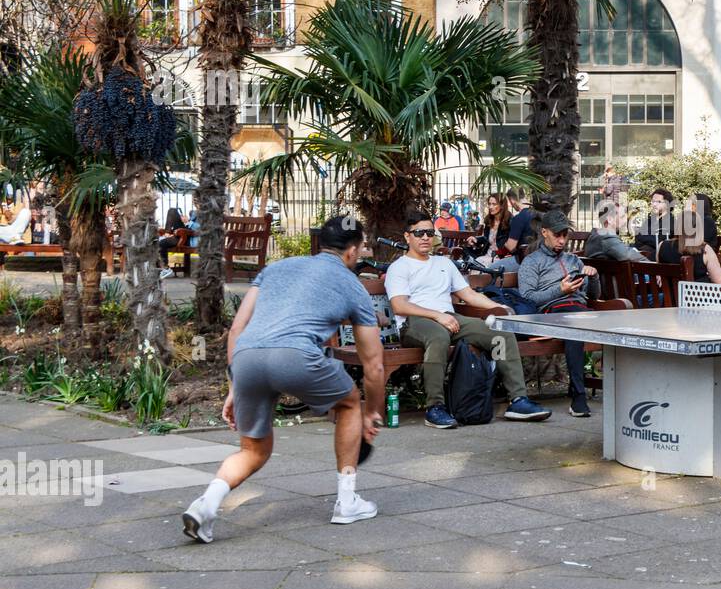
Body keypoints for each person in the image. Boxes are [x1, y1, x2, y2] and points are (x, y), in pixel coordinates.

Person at [182, 215, 388, 543]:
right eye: (361, 249)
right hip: (295, 355)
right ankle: (346, 502)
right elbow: (373, 366)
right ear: (351, 252)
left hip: (248, 357)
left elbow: (237, 328)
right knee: (350, 404)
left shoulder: (276, 268)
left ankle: (205, 504)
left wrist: (235, 384)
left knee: (254, 450)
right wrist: (373, 411)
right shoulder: (352, 284)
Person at [385, 210, 551, 428]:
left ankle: (518, 400)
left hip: (450, 319)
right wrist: (438, 316)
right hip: (415, 321)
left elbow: (468, 294)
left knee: (499, 334)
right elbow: (400, 305)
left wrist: (498, 306)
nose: (425, 237)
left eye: (428, 232)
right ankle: (434, 407)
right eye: (418, 233)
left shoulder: (443, 264)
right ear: (407, 236)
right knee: (437, 337)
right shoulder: (399, 267)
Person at [518, 209, 598, 417]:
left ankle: (581, 392)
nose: (562, 240)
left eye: (565, 235)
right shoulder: (532, 262)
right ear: (545, 232)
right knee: (575, 324)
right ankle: (579, 396)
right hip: (552, 312)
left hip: (580, 311)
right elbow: (527, 297)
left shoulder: (574, 260)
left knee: (591, 323)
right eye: (557, 235)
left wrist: (593, 276)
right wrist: (559, 290)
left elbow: (592, 295)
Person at [657, 210, 721, 285]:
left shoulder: (662, 246)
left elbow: (658, 274)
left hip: (668, 296)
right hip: (696, 295)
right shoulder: (705, 249)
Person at [584, 197, 647, 263]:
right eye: (622, 217)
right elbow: (628, 255)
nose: (625, 220)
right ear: (610, 219)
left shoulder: (599, 235)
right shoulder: (606, 237)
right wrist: (654, 267)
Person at [634, 187, 676, 254]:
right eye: (653, 201)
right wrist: (648, 238)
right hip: (641, 256)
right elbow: (637, 238)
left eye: (659, 202)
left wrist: (643, 237)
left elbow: (658, 241)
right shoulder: (649, 220)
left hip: (658, 260)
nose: (654, 204)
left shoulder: (671, 222)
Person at [475, 192, 513, 266]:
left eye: (494, 204)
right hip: (487, 255)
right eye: (489, 204)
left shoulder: (510, 221)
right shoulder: (488, 220)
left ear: (502, 205)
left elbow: (510, 245)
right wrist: (476, 239)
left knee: (477, 264)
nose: (490, 207)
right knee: (472, 263)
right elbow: (487, 239)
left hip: (501, 257)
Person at [157, 207, 185, 276]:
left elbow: (196, 228)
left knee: (172, 210)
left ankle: (165, 268)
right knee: (158, 243)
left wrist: (188, 222)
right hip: (178, 234)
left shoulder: (200, 215)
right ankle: (162, 268)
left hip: (185, 236)